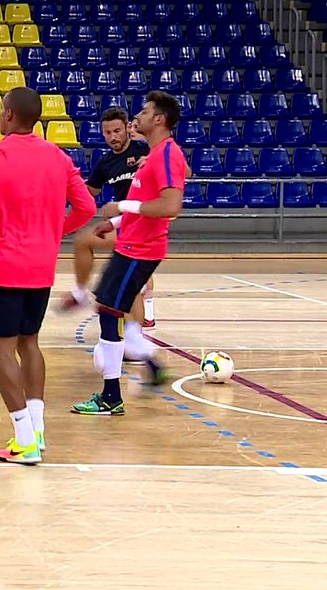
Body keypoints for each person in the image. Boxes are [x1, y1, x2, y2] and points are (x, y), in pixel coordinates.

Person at [0, 87, 96, 464]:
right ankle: (38, 430)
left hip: (5, 266)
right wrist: (56, 230)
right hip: (41, 266)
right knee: (29, 343)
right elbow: (87, 206)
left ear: (10, 115)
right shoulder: (57, 157)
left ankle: (24, 438)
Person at [71, 91, 187, 417]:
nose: (141, 115)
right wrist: (118, 221)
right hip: (129, 242)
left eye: (147, 111)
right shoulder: (157, 154)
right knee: (110, 310)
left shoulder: (165, 155)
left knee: (111, 312)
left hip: (141, 249)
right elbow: (151, 202)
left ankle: (113, 396)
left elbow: (170, 206)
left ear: (159, 119)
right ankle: (142, 371)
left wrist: (121, 206)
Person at [60, 108, 157, 326]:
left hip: (146, 222)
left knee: (133, 274)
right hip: (123, 222)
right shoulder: (105, 163)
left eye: (117, 131)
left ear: (127, 129)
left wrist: (151, 160)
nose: (113, 137)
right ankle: (81, 292)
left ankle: (142, 321)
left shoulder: (144, 149)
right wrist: (62, 190)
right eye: (107, 133)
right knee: (83, 240)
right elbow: (88, 193)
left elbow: (172, 165)